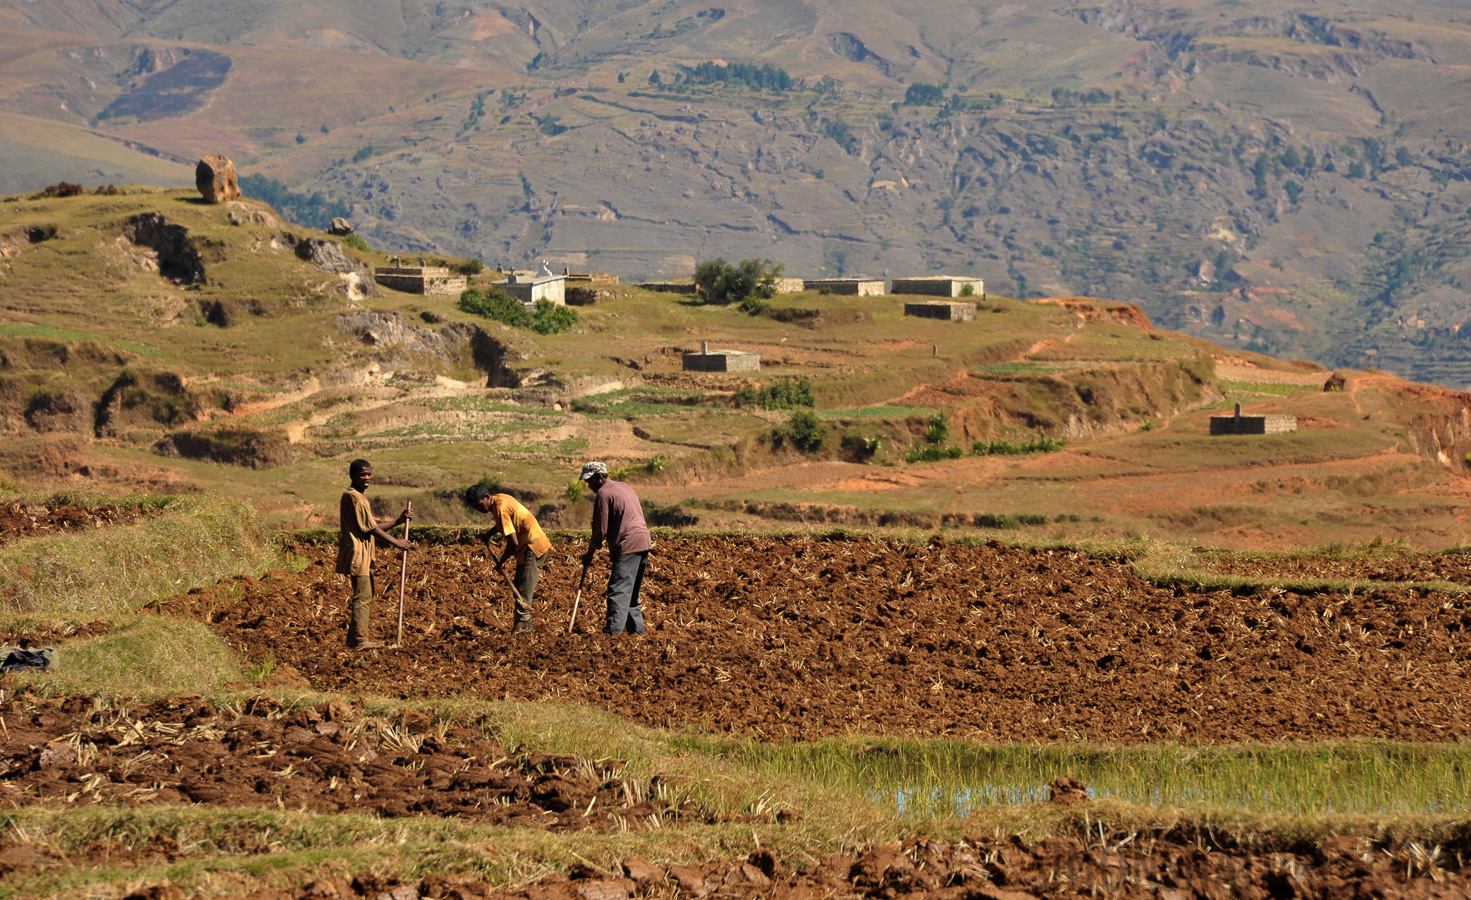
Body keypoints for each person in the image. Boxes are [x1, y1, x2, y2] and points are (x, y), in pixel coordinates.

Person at [335, 458, 413, 650]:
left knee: (367, 594)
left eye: (369, 474)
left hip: (363, 553)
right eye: (362, 475)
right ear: (352, 476)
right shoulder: (353, 496)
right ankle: (360, 639)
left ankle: (354, 639)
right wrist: (396, 542)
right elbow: (369, 529)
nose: (367, 478)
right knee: (362, 596)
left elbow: (372, 525)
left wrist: (398, 521)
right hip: (358, 552)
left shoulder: (360, 497)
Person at [465, 483, 551, 633]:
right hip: (528, 547)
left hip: (532, 547)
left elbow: (512, 542)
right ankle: (526, 629)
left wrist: (501, 562)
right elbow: (503, 525)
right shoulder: (499, 499)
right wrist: (489, 535)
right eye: (475, 509)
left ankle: (518, 631)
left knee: (523, 593)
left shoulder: (500, 508)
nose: (479, 510)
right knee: (519, 588)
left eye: (479, 506)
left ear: (486, 497)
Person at [579, 461, 651, 635]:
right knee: (631, 594)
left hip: (627, 543)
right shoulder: (623, 486)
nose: (590, 486)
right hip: (643, 540)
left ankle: (612, 635)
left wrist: (589, 553)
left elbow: (600, 530)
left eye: (591, 481)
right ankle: (638, 634)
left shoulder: (603, 494)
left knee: (618, 591)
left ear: (601, 477)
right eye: (587, 482)